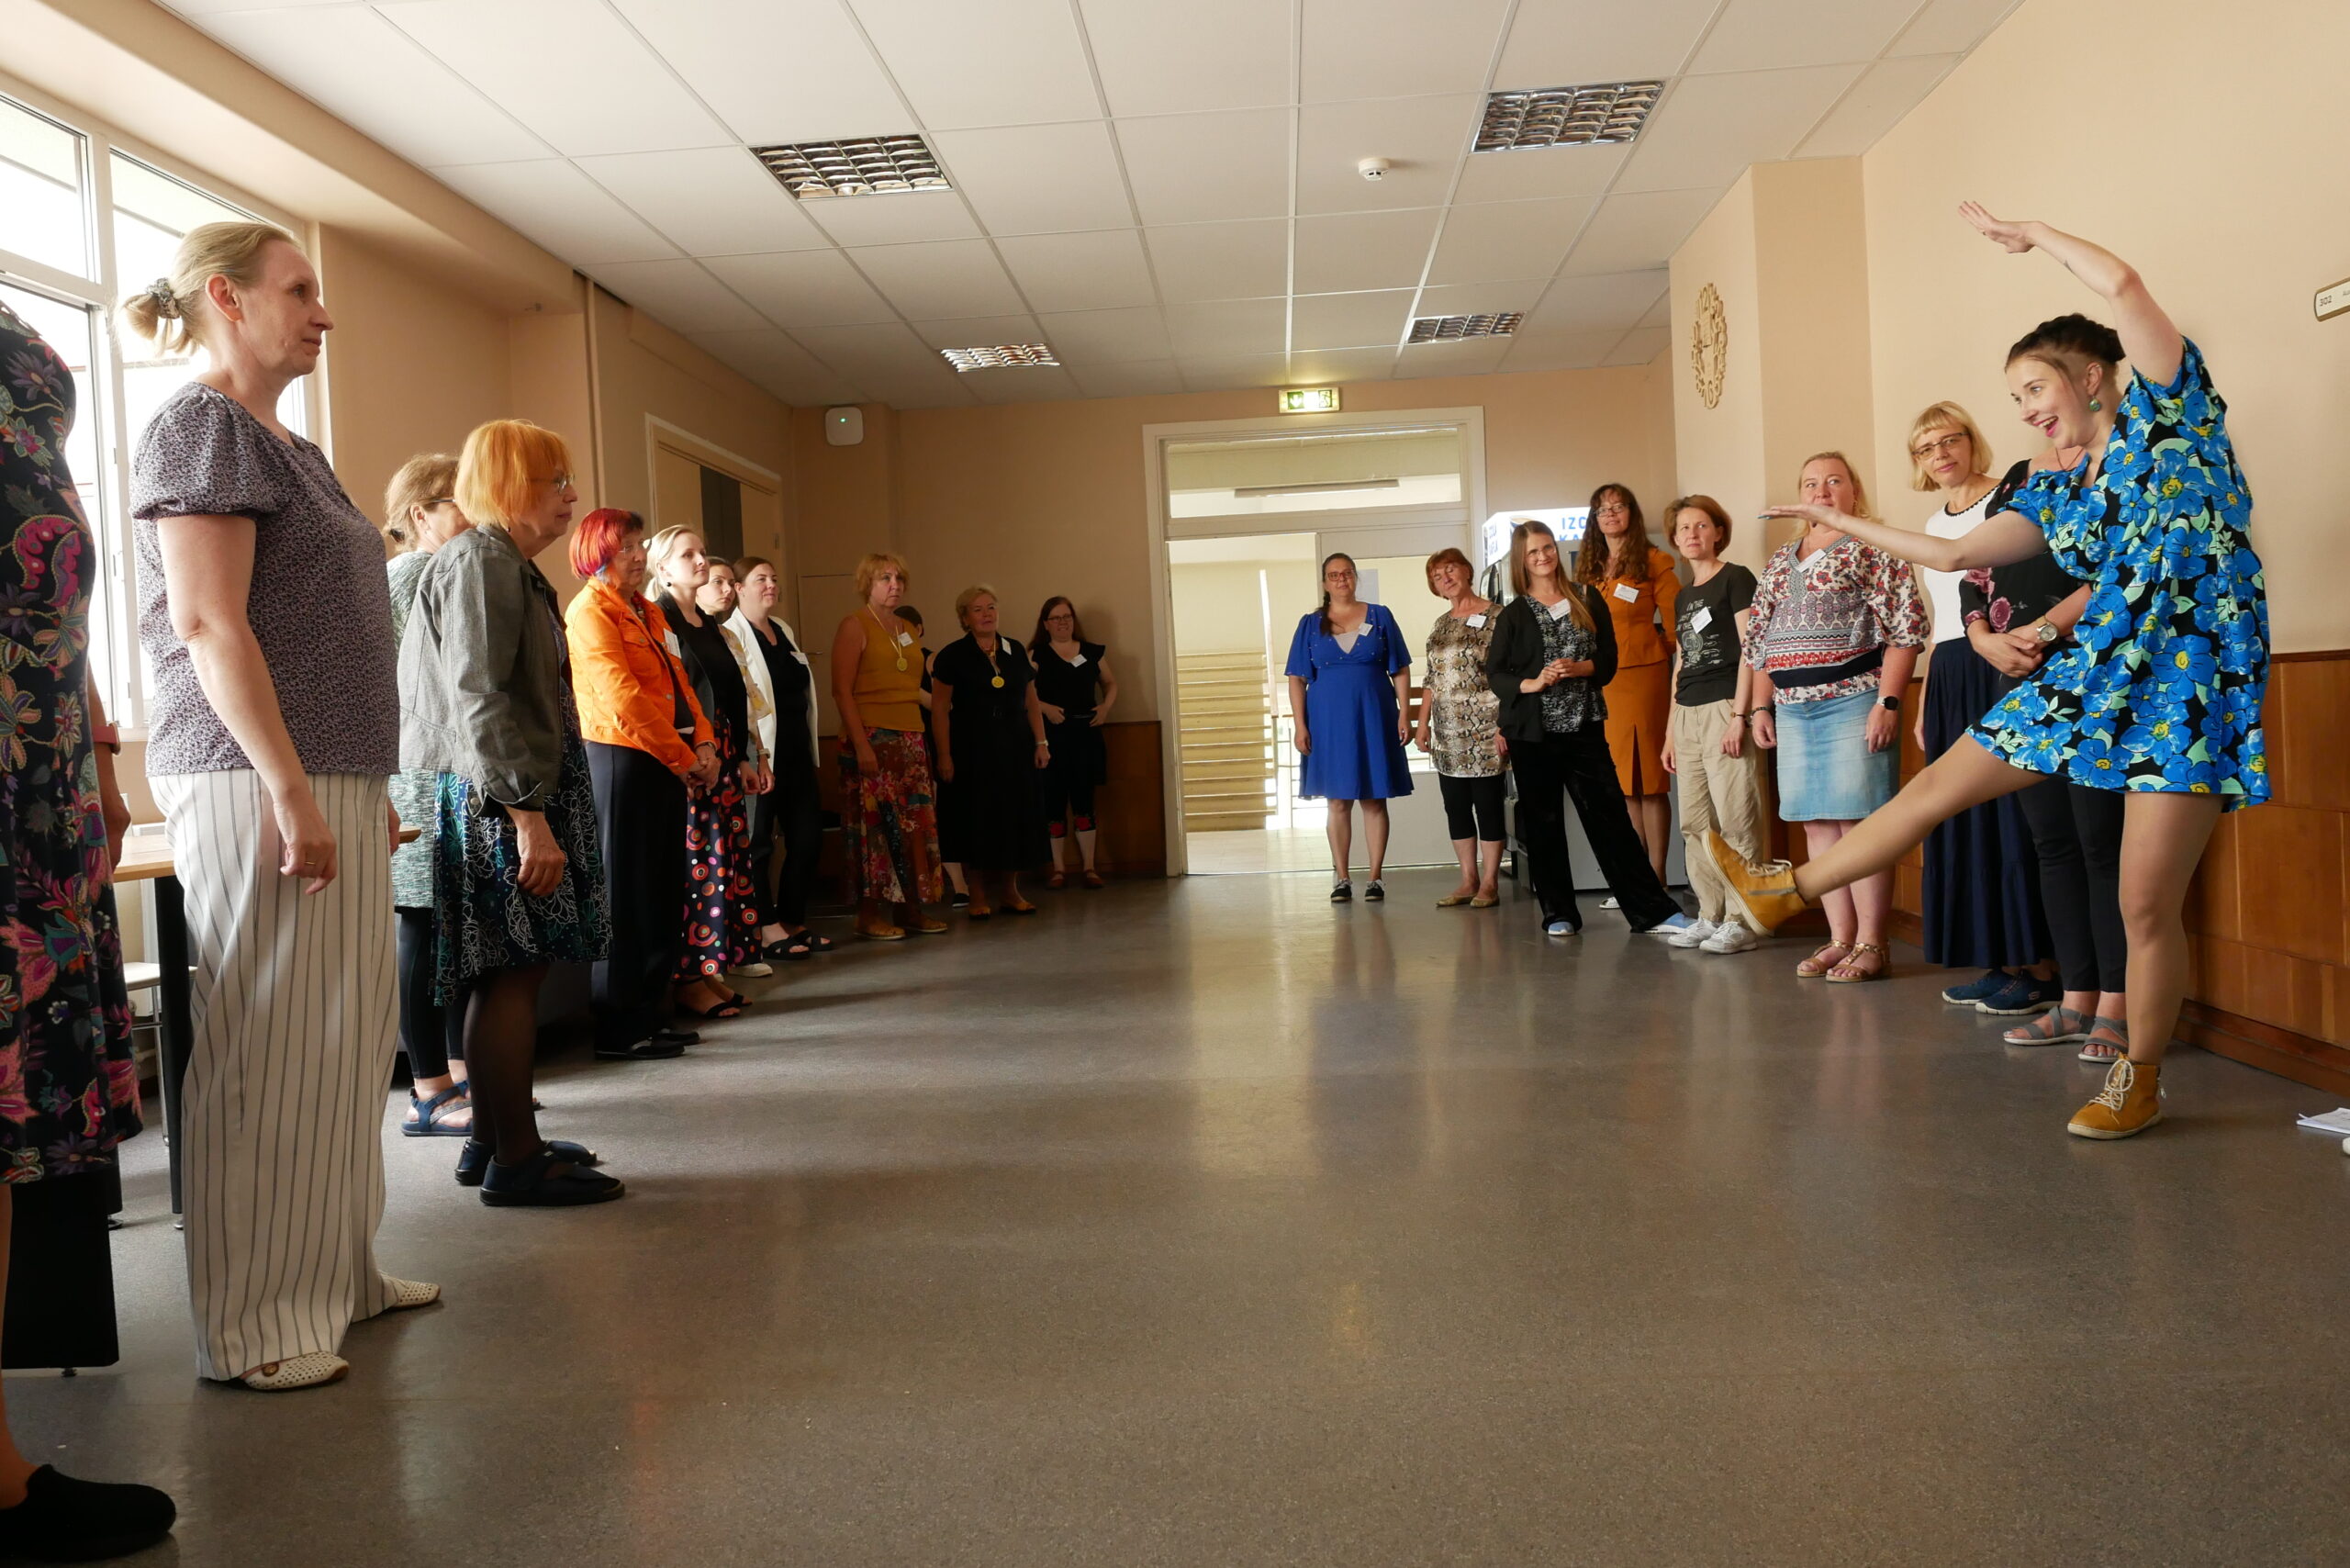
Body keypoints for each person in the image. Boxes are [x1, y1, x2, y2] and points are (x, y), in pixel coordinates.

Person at [1713, 207, 2268, 1140]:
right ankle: (1784, 891)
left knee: (2142, 901)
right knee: (1935, 787)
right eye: (2014, 397)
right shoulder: (2058, 488)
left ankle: (2137, 1078)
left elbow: (2123, 285)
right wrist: (1840, 521)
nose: (2025, 410)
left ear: (2091, 376)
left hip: (2188, 686)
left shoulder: (2172, 416)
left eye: (2033, 387)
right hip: (2093, 674)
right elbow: (1953, 553)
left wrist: (2035, 234)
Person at [125, 219, 434, 1390]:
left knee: (344, 1040)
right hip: (249, 773)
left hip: (327, 774)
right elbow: (209, 625)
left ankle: (335, 1275)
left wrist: (357, 787)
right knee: (269, 1047)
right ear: (226, 297)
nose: (322, 313)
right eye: (299, 290)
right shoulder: (201, 427)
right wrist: (293, 790)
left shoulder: (288, 444)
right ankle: (255, 1324)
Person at [0, 296, 176, 1561]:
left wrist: (101, 754)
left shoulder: (16, 337)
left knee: (5, 1128)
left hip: (37, 771)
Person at [398, 420, 620, 1205]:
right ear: (507, 485)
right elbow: (478, 696)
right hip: (503, 799)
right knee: (513, 972)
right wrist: (527, 816)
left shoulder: (501, 562)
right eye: (554, 481)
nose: (571, 495)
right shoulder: (481, 560)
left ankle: (494, 1141)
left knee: (504, 973)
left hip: (510, 789)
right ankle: (518, 1162)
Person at [1956, 475, 2132, 1064]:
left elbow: (2120, 568)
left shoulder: (2116, 471)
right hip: (2018, 677)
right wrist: (1982, 639)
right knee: (2052, 845)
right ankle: (2076, 1000)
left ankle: (2117, 1008)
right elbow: (1974, 573)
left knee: (2102, 845)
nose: (2038, 422)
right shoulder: (2022, 478)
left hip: (2095, 674)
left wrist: (2044, 630)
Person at [1741, 452, 1929, 983]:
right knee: (1818, 824)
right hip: (1792, 709)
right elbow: (1760, 641)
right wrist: (1760, 706)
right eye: (1810, 483)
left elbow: (1905, 631)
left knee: (1859, 823)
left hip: (1854, 700)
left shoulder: (1874, 547)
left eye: (1833, 481)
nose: (1821, 490)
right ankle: (1840, 939)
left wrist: (1888, 703)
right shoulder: (1781, 560)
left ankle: (1872, 943)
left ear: (1854, 490)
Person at [1908, 403, 2060, 1014]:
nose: (1941, 454)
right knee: (1965, 818)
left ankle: (2040, 966)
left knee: (2012, 817)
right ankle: (1998, 960)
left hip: (1999, 660)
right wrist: (1925, 699)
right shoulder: (1931, 522)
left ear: (1972, 443)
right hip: (1950, 669)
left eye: (1950, 440)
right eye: (1926, 448)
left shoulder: (2009, 497)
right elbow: (1942, 618)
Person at [1484, 521, 1695, 939]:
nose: (1543, 557)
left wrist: (1582, 668)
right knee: (1543, 827)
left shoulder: (1586, 597)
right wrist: (1533, 683)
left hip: (1585, 727)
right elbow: (1496, 675)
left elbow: (1609, 659)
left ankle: (1652, 911)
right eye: (1532, 552)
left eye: (1547, 548)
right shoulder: (1513, 614)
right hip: (1532, 736)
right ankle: (1558, 913)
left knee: (1611, 821)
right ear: (1521, 561)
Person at [565, 509, 712, 1061]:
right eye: (626, 546)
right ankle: (618, 1027)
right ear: (598, 554)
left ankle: (652, 1014)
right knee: (624, 894)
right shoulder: (590, 612)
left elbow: (681, 683)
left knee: (660, 890)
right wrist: (683, 758)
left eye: (639, 543)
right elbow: (622, 697)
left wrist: (704, 744)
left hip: (668, 759)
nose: (638, 554)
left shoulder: (648, 610)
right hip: (621, 759)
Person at [382, 453, 476, 1138]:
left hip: (447, 770)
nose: (476, 515)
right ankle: (428, 1090)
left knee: (454, 926)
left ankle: (464, 1071)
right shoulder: (411, 575)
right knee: (422, 921)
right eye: (461, 502)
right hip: (418, 773)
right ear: (422, 514)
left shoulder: (443, 572)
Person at [649, 529, 766, 1012]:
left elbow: (730, 693)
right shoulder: (660, 617)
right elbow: (671, 694)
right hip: (692, 757)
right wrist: (695, 754)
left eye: (701, 552)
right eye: (688, 554)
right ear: (663, 568)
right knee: (699, 868)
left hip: (723, 751)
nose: (700, 560)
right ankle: (687, 980)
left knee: (725, 865)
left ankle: (709, 971)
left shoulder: (709, 622)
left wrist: (743, 757)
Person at [1657, 497, 1766, 954]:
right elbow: (1682, 662)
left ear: (1718, 532)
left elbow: (1752, 649)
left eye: (1701, 525)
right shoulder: (1683, 595)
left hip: (1725, 706)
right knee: (1696, 824)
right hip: (1687, 713)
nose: (1692, 534)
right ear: (1675, 538)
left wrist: (1741, 715)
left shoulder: (1736, 578)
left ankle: (1744, 919)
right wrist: (1670, 731)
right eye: (1684, 528)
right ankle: (1710, 914)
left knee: (1737, 819)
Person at [1285, 553, 1414, 902]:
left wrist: (1405, 713)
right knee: (1337, 801)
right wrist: (1300, 725)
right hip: (1327, 722)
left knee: (1374, 799)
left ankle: (1375, 878)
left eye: (1347, 573)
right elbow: (1296, 678)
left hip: (1375, 715)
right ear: (1325, 583)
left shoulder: (1380, 616)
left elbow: (1400, 669)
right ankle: (1341, 877)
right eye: (1334, 575)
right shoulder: (1310, 624)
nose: (1341, 579)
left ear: (1355, 578)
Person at [830, 555, 946, 939]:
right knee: (876, 829)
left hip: (910, 738)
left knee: (914, 827)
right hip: (871, 737)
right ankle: (868, 914)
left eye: (899, 578)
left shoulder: (907, 628)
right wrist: (862, 745)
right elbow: (841, 691)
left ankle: (910, 908)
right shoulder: (854, 625)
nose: (895, 584)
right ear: (867, 583)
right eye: (885, 578)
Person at [1577, 484, 1681, 889]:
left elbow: (1676, 628)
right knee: (1623, 784)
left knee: (1650, 782)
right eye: (1602, 510)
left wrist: (1655, 655)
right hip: (1604, 681)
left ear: (1631, 514)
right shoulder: (1588, 569)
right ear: (1595, 520)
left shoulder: (1656, 561)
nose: (1610, 514)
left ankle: (1658, 875)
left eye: (1618, 507)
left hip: (1644, 677)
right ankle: (1638, 882)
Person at [730, 557, 833, 959]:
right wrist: (755, 755)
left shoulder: (784, 630)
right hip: (762, 754)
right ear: (739, 588)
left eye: (773, 578)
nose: (771, 584)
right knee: (759, 844)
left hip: (797, 751)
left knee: (807, 839)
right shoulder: (731, 634)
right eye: (761, 579)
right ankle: (764, 927)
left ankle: (793, 920)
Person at [933, 587, 1051, 916]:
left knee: (1013, 816)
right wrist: (944, 754)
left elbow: (1031, 700)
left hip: (1015, 746)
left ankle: (1010, 891)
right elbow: (940, 709)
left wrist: (1041, 742)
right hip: (972, 748)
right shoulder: (952, 655)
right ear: (965, 618)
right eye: (978, 609)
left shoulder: (1014, 649)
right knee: (976, 818)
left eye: (991, 607)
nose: (987, 614)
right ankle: (977, 893)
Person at [696, 557, 776, 981]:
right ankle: (710, 957)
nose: (727, 590)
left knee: (737, 851)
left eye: (730, 582)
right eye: (718, 582)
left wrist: (756, 754)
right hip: (700, 750)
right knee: (709, 856)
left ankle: (741, 949)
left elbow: (748, 700)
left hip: (733, 747)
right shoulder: (678, 630)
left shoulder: (727, 635)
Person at [1411, 547, 1505, 908]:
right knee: (1456, 806)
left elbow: (1509, 673)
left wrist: (1506, 725)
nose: (1445, 578)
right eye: (1437, 576)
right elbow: (1431, 678)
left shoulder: (1497, 616)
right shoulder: (1440, 624)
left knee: (1488, 806)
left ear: (1466, 571)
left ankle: (1490, 882)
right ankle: (1468, 879)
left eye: (1450, 569)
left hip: (1487, 727)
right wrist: (1422, 724)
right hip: (1447, 733)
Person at [1029, 596, 1119, 890]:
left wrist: (1105, 708)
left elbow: (1110, 683)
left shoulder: (1092, 652)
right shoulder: (1036, 654)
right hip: (1051, 738)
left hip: (1086, 735)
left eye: (1066, 616)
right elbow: (1023, 692)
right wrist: (1045, 708)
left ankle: (1089, 867)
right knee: (1053, 804)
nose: (1062, 622)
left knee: (1085, 802)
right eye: (1056, 618)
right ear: (1046, 624)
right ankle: (1058, 869)